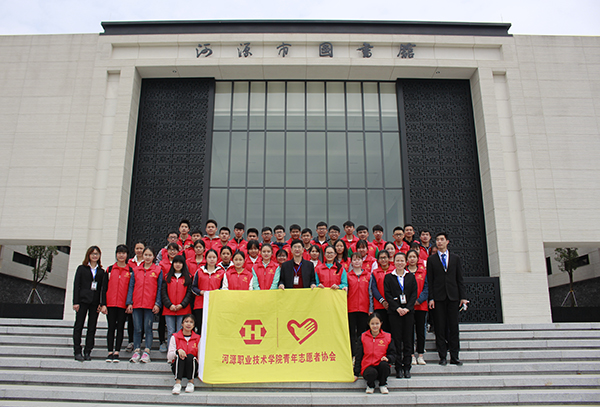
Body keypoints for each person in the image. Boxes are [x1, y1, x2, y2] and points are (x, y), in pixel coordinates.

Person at [428, 232, 468, 366]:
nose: (439, 242)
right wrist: (431, 298)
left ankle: (455, 356)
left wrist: (463, 297)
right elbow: (430, 280)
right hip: (438, 298)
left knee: (453, 327)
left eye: (442, 239)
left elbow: (459, 279)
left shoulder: (455, 258)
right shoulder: (432, 260)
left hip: (453, 297)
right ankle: (443, 356)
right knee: (440, 327)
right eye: (437, 240)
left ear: (447, 242)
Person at [384, 251, 417, 378]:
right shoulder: (389, 277)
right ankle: (398, 367)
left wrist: (407, 308)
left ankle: (407, 367)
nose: (400, 263)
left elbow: (414, 294)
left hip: (408, 313)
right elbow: (387, 294)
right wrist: (397, 308)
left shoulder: (411, 277)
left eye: (402, 260)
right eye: (397, 260)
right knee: (396, 340)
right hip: (394, 313)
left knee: (408, 340)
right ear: (394, 262)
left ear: (405, 262)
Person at [100, 244, 134, 363]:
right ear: (116, 254)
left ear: (127, 255)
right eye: (119, 253)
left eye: (123, 253)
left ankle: (117, 352)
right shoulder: (109, 270)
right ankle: (110, 351)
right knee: (111, 328)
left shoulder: (130, 271)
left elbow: (131, 288)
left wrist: (130, 303)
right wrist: (103, 304)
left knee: (120, 328)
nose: (121, 255)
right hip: (110, 304)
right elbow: (104, 288)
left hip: (123, 304)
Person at [129, 246, 162, 363]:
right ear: (142, 256)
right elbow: (131, 286)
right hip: (137, 303)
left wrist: (157, 303)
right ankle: (137, 350)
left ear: (154, 257)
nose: (147, 257)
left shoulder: (158, 270)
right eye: (145, 255)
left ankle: (147, 351)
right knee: (137, 328)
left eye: (150, 255)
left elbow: (159, 288)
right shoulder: (136, 270)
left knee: (148, 328)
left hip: (150, 304)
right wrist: (129, 302)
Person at [72, 246, 106, 361]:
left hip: (94, 302)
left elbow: (102, 289)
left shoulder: (101, 271)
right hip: (82, 301)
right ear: (88, 255)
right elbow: (76, 285)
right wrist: (75, 302)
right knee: (79, 326)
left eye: (97, 254)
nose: (94, 256)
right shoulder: (82, 269)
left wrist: (102, 303)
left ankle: (88, 351)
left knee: (92, 327)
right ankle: (77, 351)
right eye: (92, 254)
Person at [353, 313, 395, 394]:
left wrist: (388, 358)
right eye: (372, 324)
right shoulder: (363, 337)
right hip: (367, 367)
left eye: (377, 323)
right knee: (371, 373)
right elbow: (359, 356)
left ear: (381, 323)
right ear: (368, 324)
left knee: (384, 366)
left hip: (380, 365)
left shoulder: (387, 337)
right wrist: (356, 373)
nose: (375, 326)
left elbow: (393, 354)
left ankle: (383, 384)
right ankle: (370, 385)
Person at [161, 255, 194, 347]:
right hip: (169, 309)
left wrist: (182, 305)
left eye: (180, 263)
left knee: (181, 331)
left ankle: (180, 351)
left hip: (183, 309)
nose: (178, 264)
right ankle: (171, 352)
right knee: (170, 332)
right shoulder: (167, 277)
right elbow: (163, 293)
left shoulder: (188, 277)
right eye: (176, 262)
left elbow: (189, 294)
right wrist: (169, 305)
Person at [191, 249, 225, 329]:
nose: (212, 259)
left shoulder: (221, 272)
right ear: (205, 258)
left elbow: (223, 288)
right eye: (209, 257)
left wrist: (216, 292)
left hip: (215, 304)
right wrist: (201, 292)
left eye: (214, 257)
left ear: (217, 258)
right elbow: (193, 287)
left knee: (213, 327)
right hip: (200, 304)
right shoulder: (199, 271)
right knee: (200, 327)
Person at [167, 314, 201, 394]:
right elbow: (169, 357)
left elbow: (200, 357)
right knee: (181, 356)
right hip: (178, 367)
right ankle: (177, 384)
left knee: (190, 356)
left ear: (194, 325)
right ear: (182, 324)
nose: (188, 324)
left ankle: (190, 382)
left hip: (192, 368)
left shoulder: (198, 338)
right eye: (186, 322)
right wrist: (177, 351)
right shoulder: (175, 337)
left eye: (191, 322)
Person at [406, 249, 428, 366]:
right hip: (408, 307)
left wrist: (419, 300)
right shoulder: (404, 273)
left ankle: (420, 354)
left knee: (420, 332)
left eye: (414, 257)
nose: (412, 259)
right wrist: (410, 302)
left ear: (417, 259)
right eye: (410, 257)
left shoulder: (423, 272)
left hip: (421, 306)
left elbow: (426, 288)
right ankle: (411, 355)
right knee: (409, 332)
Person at [347, 253, 371, 356]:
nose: (357, 261)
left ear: (362, 261)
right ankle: (352, 355)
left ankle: (360, 355)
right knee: (351, 333)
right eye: (354, 259)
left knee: (362, 333)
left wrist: (370, 308)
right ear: (351, 262)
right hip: (350, 309)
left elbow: (370, 293)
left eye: (359, 259)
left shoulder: (368, 275)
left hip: (364, 308)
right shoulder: (347, 276)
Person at [369, 250, 392, 331]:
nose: (383, 260)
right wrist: (382, 301)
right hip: (379, 305)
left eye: (385, 257)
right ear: (378, 260)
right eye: (381, 258)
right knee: (382, 329)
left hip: (392, 305)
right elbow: (374, 288)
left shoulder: (394, 271)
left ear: (389, 258)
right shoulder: (375, 272)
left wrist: (390, 301)